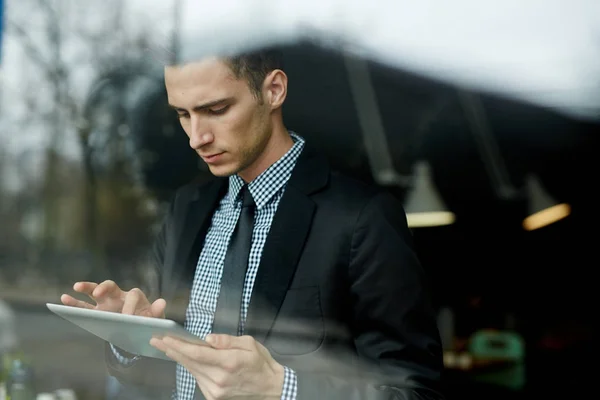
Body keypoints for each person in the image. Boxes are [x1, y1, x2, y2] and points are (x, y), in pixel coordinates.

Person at [61, 49, 444, 400]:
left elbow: (415, 392)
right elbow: (166, 378)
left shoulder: (363, 217)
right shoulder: (186, 210)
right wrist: (132, 337)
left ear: (274, 90)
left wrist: (284, 390)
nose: (197, 137)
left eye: (216, 109)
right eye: (183, 114)